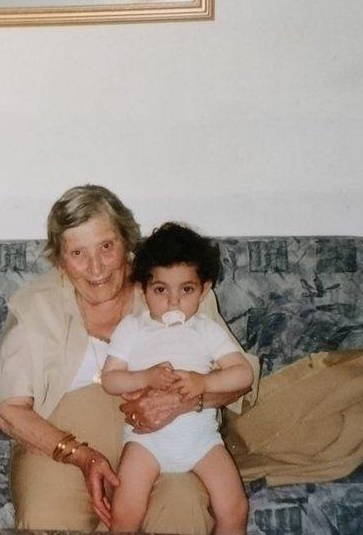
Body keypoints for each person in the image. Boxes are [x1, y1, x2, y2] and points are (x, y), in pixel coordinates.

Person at [0, 185, 260, 533]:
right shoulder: (35, 306)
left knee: (182, 506)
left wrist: (184, 402)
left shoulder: (173, 287)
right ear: (59, 260)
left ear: (127, 242)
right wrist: (81, 456)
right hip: (63, 450)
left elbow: (240, 378)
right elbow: (9, 411)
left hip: (169, 438)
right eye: (78, 253)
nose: (96, 268)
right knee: (48, 515)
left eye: (106, 246)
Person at [101, 223, 251, 534]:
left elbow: (243, 373)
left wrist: (204, 383)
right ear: (143, 291)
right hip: (146, 442)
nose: (173, 301)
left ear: (204, 290)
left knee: (236, 509)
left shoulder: (206, 329)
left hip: (202, 441)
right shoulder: (133, 328)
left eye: (186, 289)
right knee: (125, 513)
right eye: (160, 290)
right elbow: (111, 380)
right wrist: (145, 377)